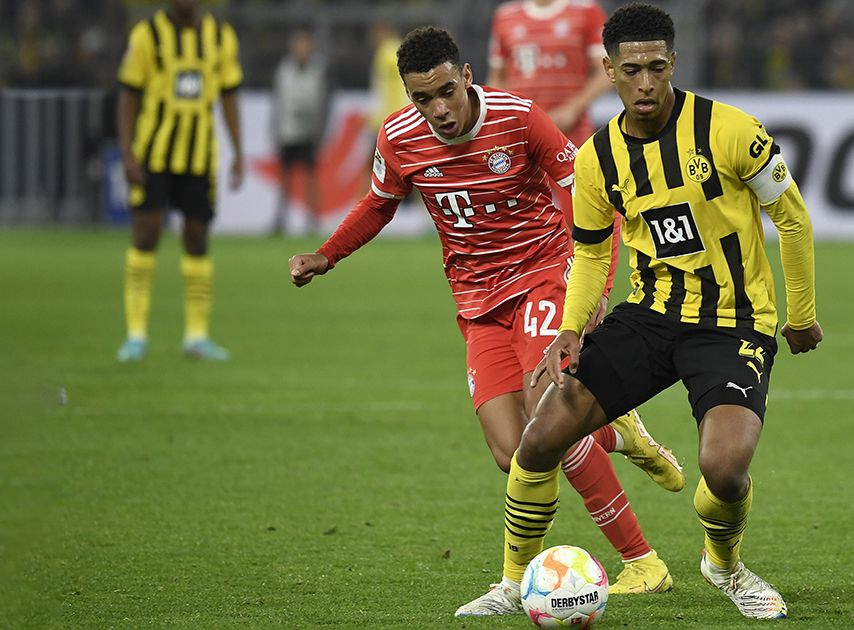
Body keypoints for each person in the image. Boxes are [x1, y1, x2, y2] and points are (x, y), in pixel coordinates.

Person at [286, 26, 683, 609]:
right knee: (514, 451)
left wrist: (591, 283)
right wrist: (327, 255)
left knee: (549, 419)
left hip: (544, 276)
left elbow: (587, 196)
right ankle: (617, 429)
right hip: (477, 304)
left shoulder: (520, 119)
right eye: (423, 99)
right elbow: (378, 203)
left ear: (467, 75)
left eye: (447, 91)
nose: (439, 110)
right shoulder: (399, 138)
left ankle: (638, 562)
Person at [466, 2, 822, 621]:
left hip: (733, 318)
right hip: (651, 313)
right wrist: (571, 330)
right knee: (539, 438)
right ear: (608, 70)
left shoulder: (732, 131)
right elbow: (590, 253)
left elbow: (791, 217)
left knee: (724, 468)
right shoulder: (596, 159)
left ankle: (726, 566)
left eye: (657, 67)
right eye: (631, 70)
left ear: (673, 63)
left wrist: (800, 314)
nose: (646, 83)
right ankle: (513, 580)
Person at [115, 0, 244, 362]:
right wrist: (127, 153)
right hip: (152, 156)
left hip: (199, 158)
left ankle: (197, 336)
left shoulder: (220, 37)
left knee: (197, 238)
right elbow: (128, 95)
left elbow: (229, 95)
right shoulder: (147, 36)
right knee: (145, 235)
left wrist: (238, 151)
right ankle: (136, 335)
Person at [488, 0, 612, 148]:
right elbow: (497, 77)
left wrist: (573, 108)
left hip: (571, 131)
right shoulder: (506, 15)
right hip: (521, 132)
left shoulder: (586, 11)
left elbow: (605, 71)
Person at [270, 27, 329, 236]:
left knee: (310, 180)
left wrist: (321, 131)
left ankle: (312, 221)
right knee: (285, 179)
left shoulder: (318, 69)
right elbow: (278, 102)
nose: (302, 49)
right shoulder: (284, 70)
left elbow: (324, 102)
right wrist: (274, 130)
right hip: (288, 131)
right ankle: (280, 220)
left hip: (309, 133)